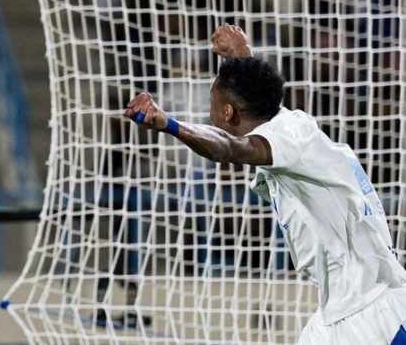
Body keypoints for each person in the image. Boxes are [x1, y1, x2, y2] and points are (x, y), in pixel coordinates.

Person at [125, 24, 406, 344]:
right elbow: (262, 104)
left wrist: (170, 124)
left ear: (228, 112)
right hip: (338, 314)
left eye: (212, 104)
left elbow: (230, 148)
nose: (210, 112)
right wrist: (243, 56)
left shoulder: (281, 140)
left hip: (373, 315)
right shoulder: (290, 126)